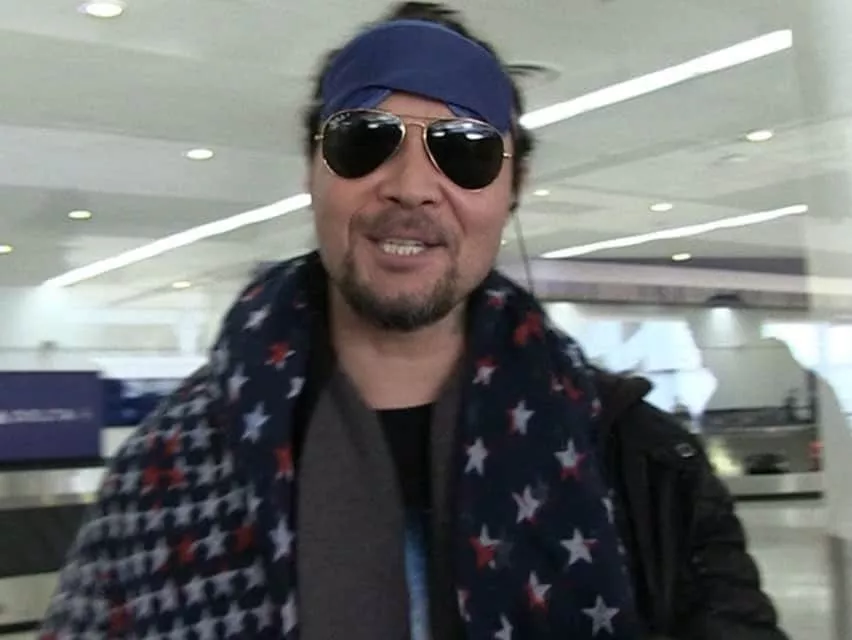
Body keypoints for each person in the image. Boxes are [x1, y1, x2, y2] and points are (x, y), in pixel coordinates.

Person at [39, 3, 788, 639]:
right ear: (312, 171)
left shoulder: (642, 468)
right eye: (365, 140)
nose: (411, 187)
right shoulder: (167, 470)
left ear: (513, 187)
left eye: (464, 151)